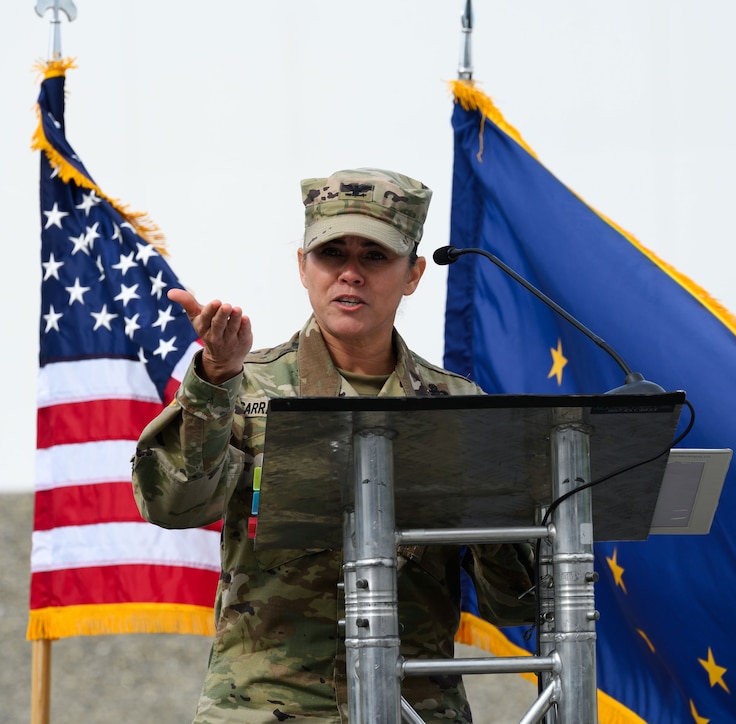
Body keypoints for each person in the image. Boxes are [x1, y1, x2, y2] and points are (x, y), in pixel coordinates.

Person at [132, 168, 537, 723]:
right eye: (331, 255)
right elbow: (172, 506)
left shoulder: (457, 404)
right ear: (302, 266)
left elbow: (518, 599)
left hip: (415, 709)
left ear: (414, 273)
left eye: (374, 256)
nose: (350, 274)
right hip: (269, 708)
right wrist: (213, 381)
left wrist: (496, 504)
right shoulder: (244, 387)